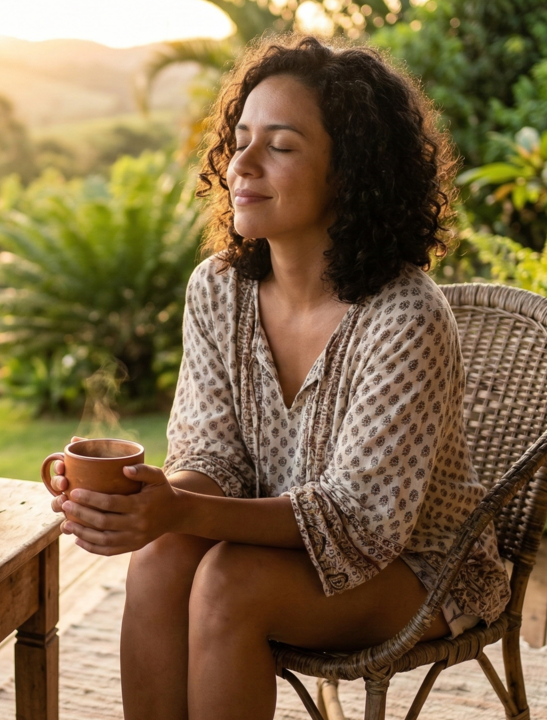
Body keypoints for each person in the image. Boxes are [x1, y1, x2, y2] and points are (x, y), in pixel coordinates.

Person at [45, 36, 510, 719]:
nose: (242, 164)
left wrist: (179, 509)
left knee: (230, 585)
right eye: (240, 140)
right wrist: (145, 499)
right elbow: (212, 458)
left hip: (421, 565)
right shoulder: (218, 290)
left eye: (281, 146)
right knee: (163, 557)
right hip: (276, 540)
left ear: (350, 173)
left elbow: (362, 525)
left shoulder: (406, 316)